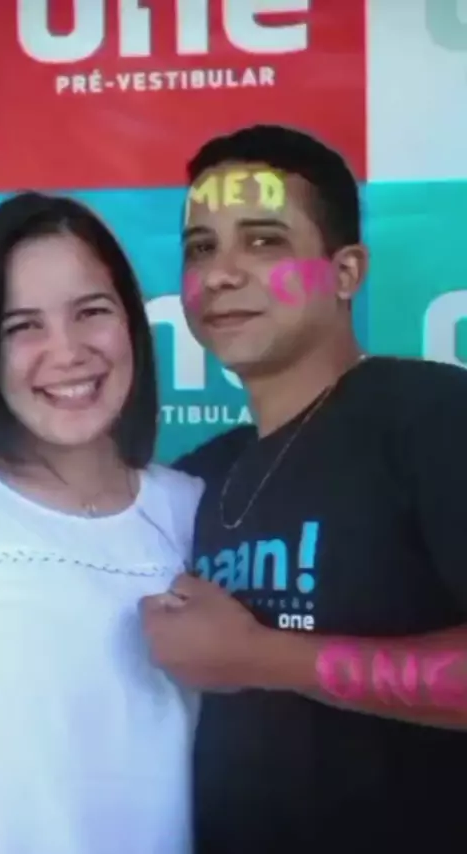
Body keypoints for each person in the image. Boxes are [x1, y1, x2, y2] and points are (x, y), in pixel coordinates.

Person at [142, 125, 467, 853]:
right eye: (201, 247)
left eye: (264, 241)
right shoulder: (196, 477)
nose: (221, 274)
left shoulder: (435, 416)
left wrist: (260, 657)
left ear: (346, 271)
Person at [0, 192, 203, 854]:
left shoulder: (199, 511)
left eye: (91, 312)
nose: (68, 352)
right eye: (23, 326)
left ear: (133, 323)